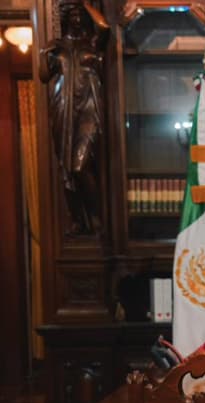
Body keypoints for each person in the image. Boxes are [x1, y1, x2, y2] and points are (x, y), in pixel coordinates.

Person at [39, 0, 108, 235]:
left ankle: (96, 216)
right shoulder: (57, 46)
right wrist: (43, 53)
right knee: (65, 167)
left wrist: (85, 3)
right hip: (63, 107)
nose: (77, 19)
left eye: (80, 15)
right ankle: (78, 220)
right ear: (66, 19)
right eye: (73, 15)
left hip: (89, 105)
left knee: (81, 165)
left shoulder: (91, 42)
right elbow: (43, 75)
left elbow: (104, 27)